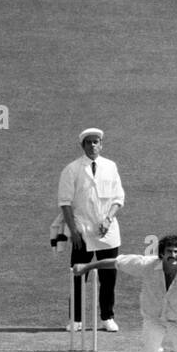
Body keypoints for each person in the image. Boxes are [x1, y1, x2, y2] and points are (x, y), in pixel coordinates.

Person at [57, 128, 125, 332]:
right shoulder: (72, 169)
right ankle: (76, 319)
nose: (93, 145)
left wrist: (109, 218)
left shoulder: (111, 167)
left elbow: (118, 198)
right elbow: (65, 203)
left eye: (96, 142)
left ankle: (107, 317)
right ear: (83, 145)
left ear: (101, 144)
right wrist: (73, 230)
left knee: (108, 277)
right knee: (78, 275)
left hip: (108, 231)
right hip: (82, 231)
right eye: (89, 142)